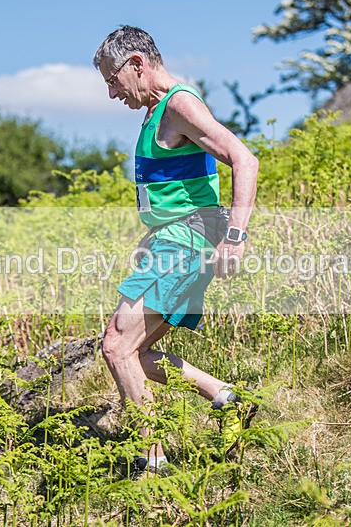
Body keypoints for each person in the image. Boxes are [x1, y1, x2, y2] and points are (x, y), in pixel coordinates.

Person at [93, 25, 258, 477]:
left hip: (186, 242)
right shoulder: (155, 113)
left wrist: (236, 237)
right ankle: (226, 398)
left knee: (115, 347)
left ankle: (154, 465)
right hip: (171, 243)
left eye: (113, 79)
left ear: (137, 64)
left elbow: (244, 158)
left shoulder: (178, 105)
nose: (111, 93)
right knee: (137, 354)